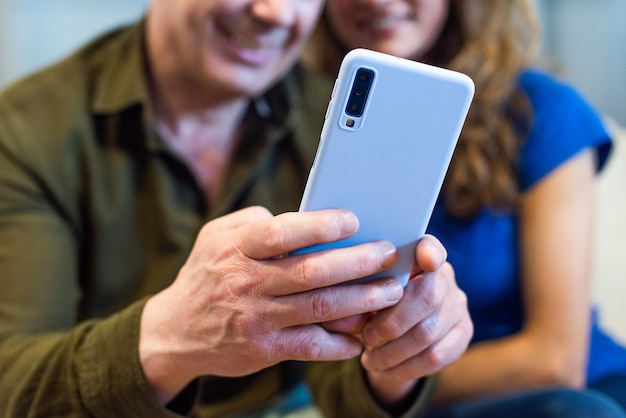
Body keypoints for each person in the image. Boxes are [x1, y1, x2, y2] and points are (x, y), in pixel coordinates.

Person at [0, 0, 474, 417]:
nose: (276, 12)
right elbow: (12, 383)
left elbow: (339, 374)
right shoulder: (27, 132)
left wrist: (396, 361)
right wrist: (169, 340)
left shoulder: (329, 122)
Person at [301, 0, 626, 417]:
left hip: (572, 391)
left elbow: (556, 359)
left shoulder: (542, 112)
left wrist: (390, 378)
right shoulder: (306, 129)